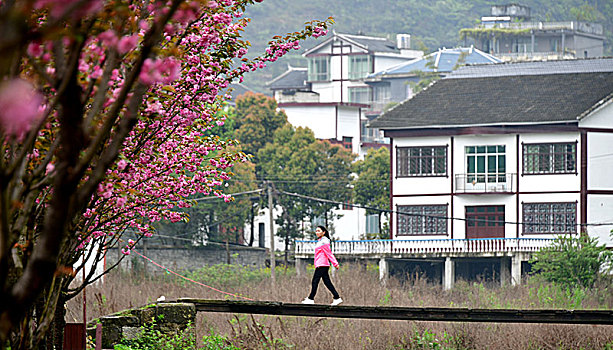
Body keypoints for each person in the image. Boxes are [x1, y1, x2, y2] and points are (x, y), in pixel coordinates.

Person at [301, 225, 343, 306]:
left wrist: (335, 263)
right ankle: (337, 297)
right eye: (316, 231)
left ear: (324, 232)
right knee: (327, 282)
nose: (317, 232)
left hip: (322, 264)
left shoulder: (324, 241)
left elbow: (329, 253)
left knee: (315, 281)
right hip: (321, 264)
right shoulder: (320, 241)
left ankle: (311, 298)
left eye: (319, 231)